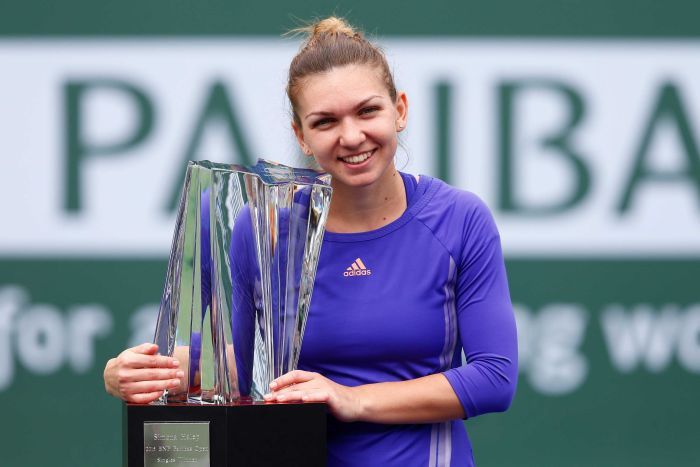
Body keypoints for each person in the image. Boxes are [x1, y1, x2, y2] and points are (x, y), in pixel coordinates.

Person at [104, 16, 518, 466]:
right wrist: (147, 373)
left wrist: (351, 398)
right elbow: (246, 366)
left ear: (399, 110)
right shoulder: (261, 226)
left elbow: (494, 378)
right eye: (325, 122)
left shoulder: (459, 218)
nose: (352, 136)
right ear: (301, 135)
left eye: (367, 111)